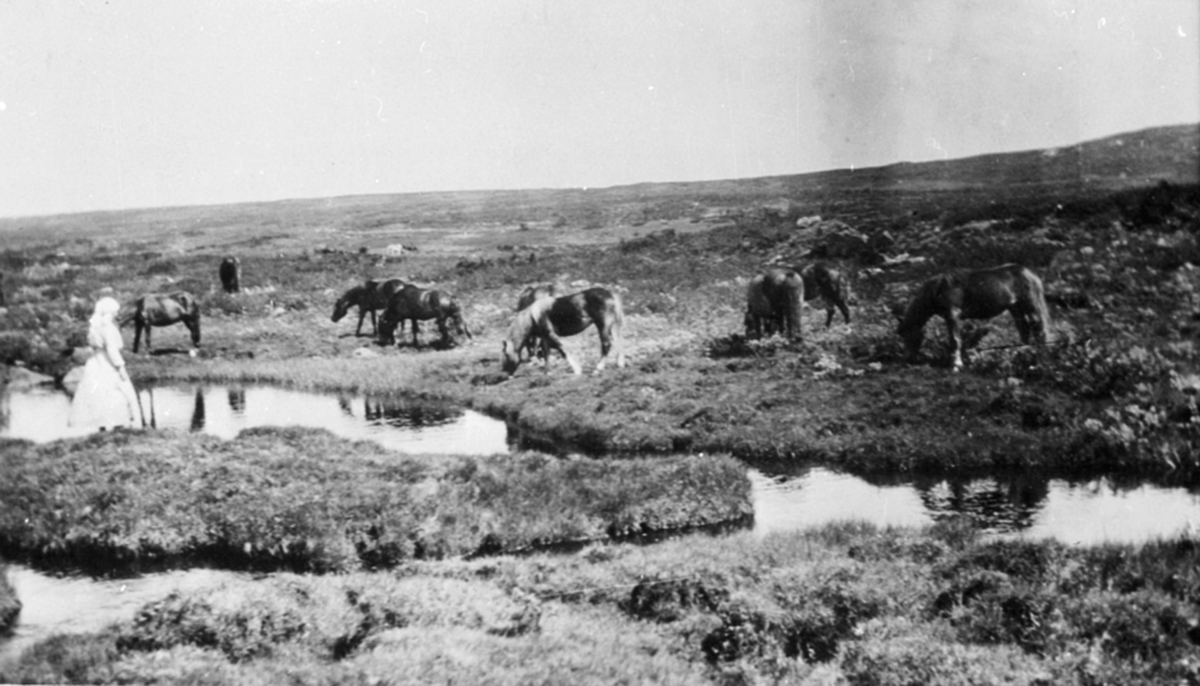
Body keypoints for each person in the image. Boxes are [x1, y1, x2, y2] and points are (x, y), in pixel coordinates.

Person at [68, 296, 143, 430]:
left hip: (96, 362)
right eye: (115, 311)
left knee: (99, 395)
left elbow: (96, 346)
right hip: (107, 363)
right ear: (109, 311)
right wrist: (121, 367)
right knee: (118, 392)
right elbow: (112, 350)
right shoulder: (107, 328)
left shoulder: (95, 326)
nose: (116, 314)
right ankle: (118, 425)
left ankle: (102, 427)